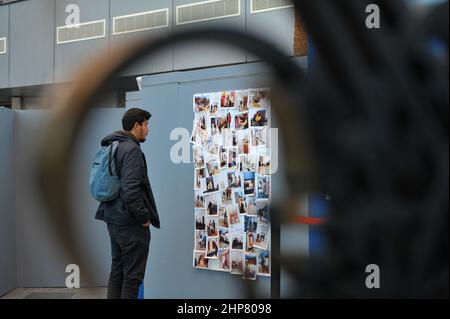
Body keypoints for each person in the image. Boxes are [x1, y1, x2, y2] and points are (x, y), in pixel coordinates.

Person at [95, 108, 160, 299]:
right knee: (132, 278)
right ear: (136, 125)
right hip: (130, 222)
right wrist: (143, 217)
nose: (148, 129)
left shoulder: (114, 145)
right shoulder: (131, 149)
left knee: (118, 271)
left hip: (113, 218)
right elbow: (130, 189)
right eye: (146, 125)